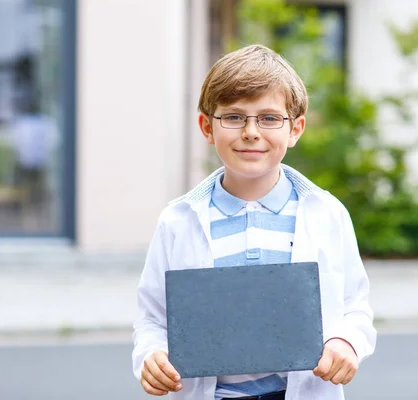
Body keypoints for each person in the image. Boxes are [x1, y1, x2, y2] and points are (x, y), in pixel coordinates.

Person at [132, 44, 376, 400]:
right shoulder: (178, 221)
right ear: (207, 126)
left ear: (295, 129)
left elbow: (356, 305)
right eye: (233, 117)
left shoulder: (326, 214)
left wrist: (346, 341)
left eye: (269, 118)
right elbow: (153, 318)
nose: (250, 131)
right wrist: (150, 357)